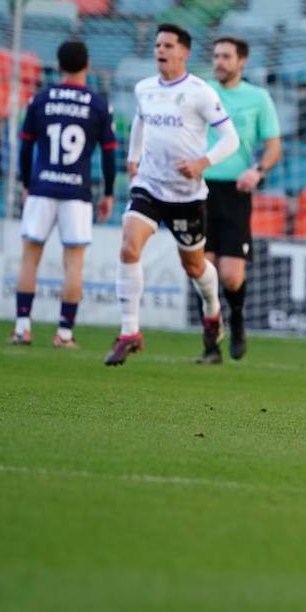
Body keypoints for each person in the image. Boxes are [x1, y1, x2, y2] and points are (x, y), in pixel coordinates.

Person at [105, 24, 240, 367]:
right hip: (149, 185)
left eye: (167, 46)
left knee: (194, 266)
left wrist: (201, 162)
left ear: (184, 53)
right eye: (156, 45)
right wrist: (133, 156)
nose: (160, 51)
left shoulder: (200, 92)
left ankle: (213, 313)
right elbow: (139, 121)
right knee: (129, 246)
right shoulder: (144, 89)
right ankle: (129, 332)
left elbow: (231, 139)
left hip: (186, 195)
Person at [8, 40, 117, 349]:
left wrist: (25, 183)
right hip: (76, 193)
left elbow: (26, 146)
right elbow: (109, 154)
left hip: (42, 187)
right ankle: (64, 333)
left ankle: (22, 329)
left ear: (58, 66)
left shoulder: (40, 100)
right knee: (74, 264)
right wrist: (108, 192)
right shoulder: (97, 104)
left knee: (30, 259)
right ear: (87, 65)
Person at [198, 36, 281, 364]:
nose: (219, 61)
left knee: (231, 275)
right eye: (216, 55)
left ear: (241, 61)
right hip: (198, 188)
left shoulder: (258, 98)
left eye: (226, 56)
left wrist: (257, 171)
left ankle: (237, 318)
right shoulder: (201, 91)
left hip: (236, 192)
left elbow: (274, 146)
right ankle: (210, 345)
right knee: (202, 269)